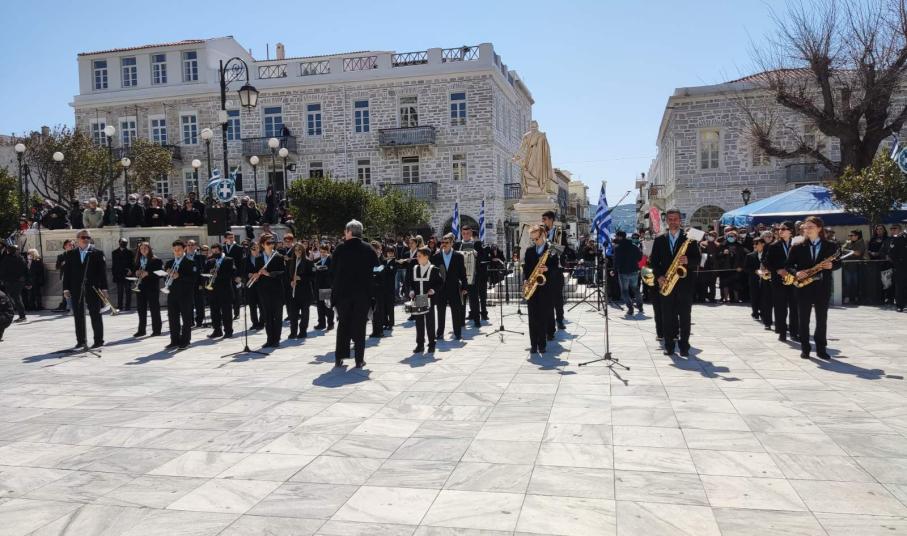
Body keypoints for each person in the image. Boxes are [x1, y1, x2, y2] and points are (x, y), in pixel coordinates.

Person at [785, 216, 842, 359]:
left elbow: (839, 263)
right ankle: (805, 348)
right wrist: (796, 272)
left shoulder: (831, 245)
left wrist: (832, 265)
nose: (807, 229)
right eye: (805, 227)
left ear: (819, 228)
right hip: (803, 286)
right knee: (803, 319)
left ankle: (821, 348)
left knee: (822, 319)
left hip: (822, 286)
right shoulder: (797, 246)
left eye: (811, 227)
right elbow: (788, 266)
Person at [649, 209, 701, 357]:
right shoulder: (660, 239)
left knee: (685, 317)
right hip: (666, 283)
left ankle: (684, 346)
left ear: (680, 220)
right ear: (666, 220)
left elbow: (698, 259)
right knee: (667, 316)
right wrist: (659, 277)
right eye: (670, 219)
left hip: (685, 284)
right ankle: (669, 346)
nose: (673, 222)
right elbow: (653, 262)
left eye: (675, 219)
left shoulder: (690, 239)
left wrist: (688, 260)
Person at [331, 219, 379, 368]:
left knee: (343, 324)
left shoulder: (340, 248)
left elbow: (332, 271)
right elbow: (377, 270)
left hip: (343, 295)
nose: (344, 234)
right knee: (360, 326)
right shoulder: (369, 249)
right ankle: (359, 359)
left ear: (349, 232)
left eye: (345, 231)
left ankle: (339, 357)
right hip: (362, 295)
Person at [61, 230, 108, 349]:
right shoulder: (70, 254)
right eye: (83, 237)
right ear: (77, 239)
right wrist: (66, 289)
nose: (86, 239)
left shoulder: (97, 253)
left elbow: (102, 273)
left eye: (88, 237)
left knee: (95, 314)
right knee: (78, 315)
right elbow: (67, 273)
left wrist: (104, 288)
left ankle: (98, 340)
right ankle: (81, 341)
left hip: (93, 288)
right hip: (76, 288)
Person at [764, 221, 799, 343]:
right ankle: (782, 332)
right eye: (779, 229)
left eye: (783, 229)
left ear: (791, 231)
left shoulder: (798, 244)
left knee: (794, 307)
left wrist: (794, 271)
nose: (780, 231)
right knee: (780, 307)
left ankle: (794, 332)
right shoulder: (773, 245)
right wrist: (777, 270)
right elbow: (766, 262)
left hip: (794, 279)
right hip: (778, 280)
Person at [523, 225, 557, 353]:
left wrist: (548, 269)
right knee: (532, 318)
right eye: (533, 239)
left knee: (542, 317)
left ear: (543, 235)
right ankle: (533, 345)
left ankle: (542, 345)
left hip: (545, 288)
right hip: (532, 286)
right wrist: (525, 280)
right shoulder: (529, 251)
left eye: (536, 239)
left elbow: (557, 268)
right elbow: (526, 269)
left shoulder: (551, 250)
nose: (535, 242)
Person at [251, 234, 286, 348]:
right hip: (264, 290)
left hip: (277, 290)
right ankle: (269, 339)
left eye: (272, 242)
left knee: (277, 316)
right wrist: (256, 276)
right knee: (267, 316)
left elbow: (283, 273)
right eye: (268, 243)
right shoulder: (259, 258)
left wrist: (269, 274)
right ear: (263, 245)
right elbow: (257, 273)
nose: (271, 245)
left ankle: (276, 339)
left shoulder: (278, 256)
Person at [431, 233, 468, 341]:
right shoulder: (436, 257)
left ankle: (457, 333)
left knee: (456, 311)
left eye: (447, 242)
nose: (444, 244)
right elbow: (433, 274)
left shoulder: (458, 256)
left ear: (452, 243)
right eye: (443, 242)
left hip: (454, 288)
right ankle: (440, 333)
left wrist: (464, 287)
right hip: (440, 289)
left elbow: (463, 273)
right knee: (440, 311)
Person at [407, 246, 443, 353]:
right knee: (419, 322)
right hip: (418, 298)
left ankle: (431, 344)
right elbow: (410, 282)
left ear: (426, 257)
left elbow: (440, 283)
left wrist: (433, 290)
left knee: (430, 322)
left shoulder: (434, 269)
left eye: (419, 256)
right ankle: (420, 344)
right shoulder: (415, 268)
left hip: (429, 299)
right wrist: (411, 290)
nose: (417, 258)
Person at [164, 240, 195, 350]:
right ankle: (174, 340)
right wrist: (166, 274)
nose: (177, 252)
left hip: (185, 294)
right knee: (172, 318)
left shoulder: (190, 262)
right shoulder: (169, 263)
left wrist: (179, 276)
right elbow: (165, 277)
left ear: (184, 249)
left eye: (179, 250)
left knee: (186, 319)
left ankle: (185, 341)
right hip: (172, 294)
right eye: (175, 250)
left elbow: (193, 279)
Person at [541, 211, 567, 332]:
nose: (543, 221)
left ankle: (560, 319)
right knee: (547, 297)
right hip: (544, 268)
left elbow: (562, 249)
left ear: (551, 219)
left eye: (545, 219)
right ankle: (548, 321)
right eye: (542, 219)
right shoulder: (542, 232)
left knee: (558, 297)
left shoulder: (560, 232)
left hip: (556, 268)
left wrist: (549, 243)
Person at [204, 243, 236, 339]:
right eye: (213, 251)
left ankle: (228, 331)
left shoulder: (229, 260)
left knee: (226, 312)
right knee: (214, 312)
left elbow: (232, 273)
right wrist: (209, 273)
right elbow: (204, 273)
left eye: (216, 251)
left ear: (221, 251)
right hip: (213, 290)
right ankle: (217, 331)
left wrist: (218, 274)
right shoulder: (210, 261)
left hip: (225, 290)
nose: (214, 253)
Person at [133, 242, 163, 337]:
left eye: (145, 248)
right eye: (141, 248)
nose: (143, 250)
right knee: (141, 310)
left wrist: (148, 273)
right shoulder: (138, 260)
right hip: (140, 287)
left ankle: (157, 330)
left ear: (149, 249)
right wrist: (136, 273)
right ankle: (141, 330)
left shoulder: (156, 260)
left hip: (152, 288)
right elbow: (134, 271)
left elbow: (160, 274)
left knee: (154, 309)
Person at [286, 242, 314, 339]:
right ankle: (293, 332)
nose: (297, 252)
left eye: (299, 250)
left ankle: (303, 331)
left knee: (305, 313)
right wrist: (291, 282)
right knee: (293, 313)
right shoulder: (291, 262)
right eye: (296, 250)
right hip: (294, 292)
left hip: (305, 292)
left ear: (303, 251)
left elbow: (312, 277)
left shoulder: (308, 261)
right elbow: (288, 276)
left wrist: (301, 278)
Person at [613, 230, 643, 316]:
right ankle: (640, 306)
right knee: (636, 289)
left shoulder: (618, 248)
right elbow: (640, 258)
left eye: (616, 236)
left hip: (623, 272)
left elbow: (616, 261)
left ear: (620, 237)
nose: (615, 238)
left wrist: (614, 270)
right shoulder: (634, 246)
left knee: (624, 291)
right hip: (634, 270)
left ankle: (630, 308)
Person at [0, 244, 28, 323]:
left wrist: (2, 280)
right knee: (16, 298)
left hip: (10, 281)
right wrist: (27, 281)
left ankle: (22, 316)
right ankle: (21, 315)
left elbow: (2, 271)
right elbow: (26, 270)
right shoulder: (21, 258)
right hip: (19, 281)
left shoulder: (6, 259)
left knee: (14, 298)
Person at [223, 232, 244, 320]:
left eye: (232, 237)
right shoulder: (223, 248)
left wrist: (240, 276)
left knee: (236, 294)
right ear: (225, 239)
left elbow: (241, 263)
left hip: (235, 275)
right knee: (226, 295)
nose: (231, 239)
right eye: (229, 237)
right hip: (225, 275)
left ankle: (236, 313)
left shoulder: (239, 248)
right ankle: (226, 313)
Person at [313, 243, 334, 330]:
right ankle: (321, 323)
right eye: (321, 251)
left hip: (326, 285)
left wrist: (323, 268)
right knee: (319, 305)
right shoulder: (317, 260)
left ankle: (330, 323)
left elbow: (332, 271)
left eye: (324, 252)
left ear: (327, 251)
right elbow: (313, 270)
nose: (322, 253)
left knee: (327, 305)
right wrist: (314, 268)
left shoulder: (330, 259)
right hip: (318, 285)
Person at [186, 240, 207, 328]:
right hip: (186, 284)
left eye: (192, 245)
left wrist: (202, 283)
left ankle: (199, 321)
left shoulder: (201, 257)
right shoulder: (183, 256)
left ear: (195, 246)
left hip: (198, 284)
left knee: (199, 304)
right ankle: (190, 321)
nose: (190, 246)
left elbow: (204, 271)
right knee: (188, 304)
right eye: (188, 245)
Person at [842, 229, 865, 305]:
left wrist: (848, 251)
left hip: (857, 266)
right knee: (847, 283)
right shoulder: (848, 242)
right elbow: (842, 249)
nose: (850, 237)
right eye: (849, 235)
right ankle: (847, 297)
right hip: (847, 266)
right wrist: (852, 252)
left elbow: (858, 253)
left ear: (857, 236)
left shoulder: (861, 242)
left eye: (851, 235)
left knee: (857, 283)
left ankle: (857, 297)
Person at [244, 241, 264, 329]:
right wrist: (248, 274)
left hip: (261, 284)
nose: (255, 250)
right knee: (252, 305)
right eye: (253, 248)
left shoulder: (263, 258)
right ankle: (254, 323)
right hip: (251, 284)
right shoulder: (245, 259)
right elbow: (242, 271)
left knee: (262, 304)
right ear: (250, 249)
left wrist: (259, 275)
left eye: (257, 248)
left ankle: (262, 322)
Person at [888, 223, 907, 312]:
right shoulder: (897, 238)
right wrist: (897, 263)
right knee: (900, 286)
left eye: (895, 229)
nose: (893, 230)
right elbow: (891, 253)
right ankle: (900, 305)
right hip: (901, 266)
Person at [112, 238, 134, 312]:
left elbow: (132, 263)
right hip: (119, 275)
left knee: (128, 291)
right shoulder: (114, 252)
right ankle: (120, 306)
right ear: (119, 243)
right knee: (120, 292)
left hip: (127, 274)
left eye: (125, 242)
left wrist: (131, 270)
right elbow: (114, 264)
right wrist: (114, 274)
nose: (124, 244)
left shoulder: (130, 252)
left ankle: (128, 306)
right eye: (122, 242)